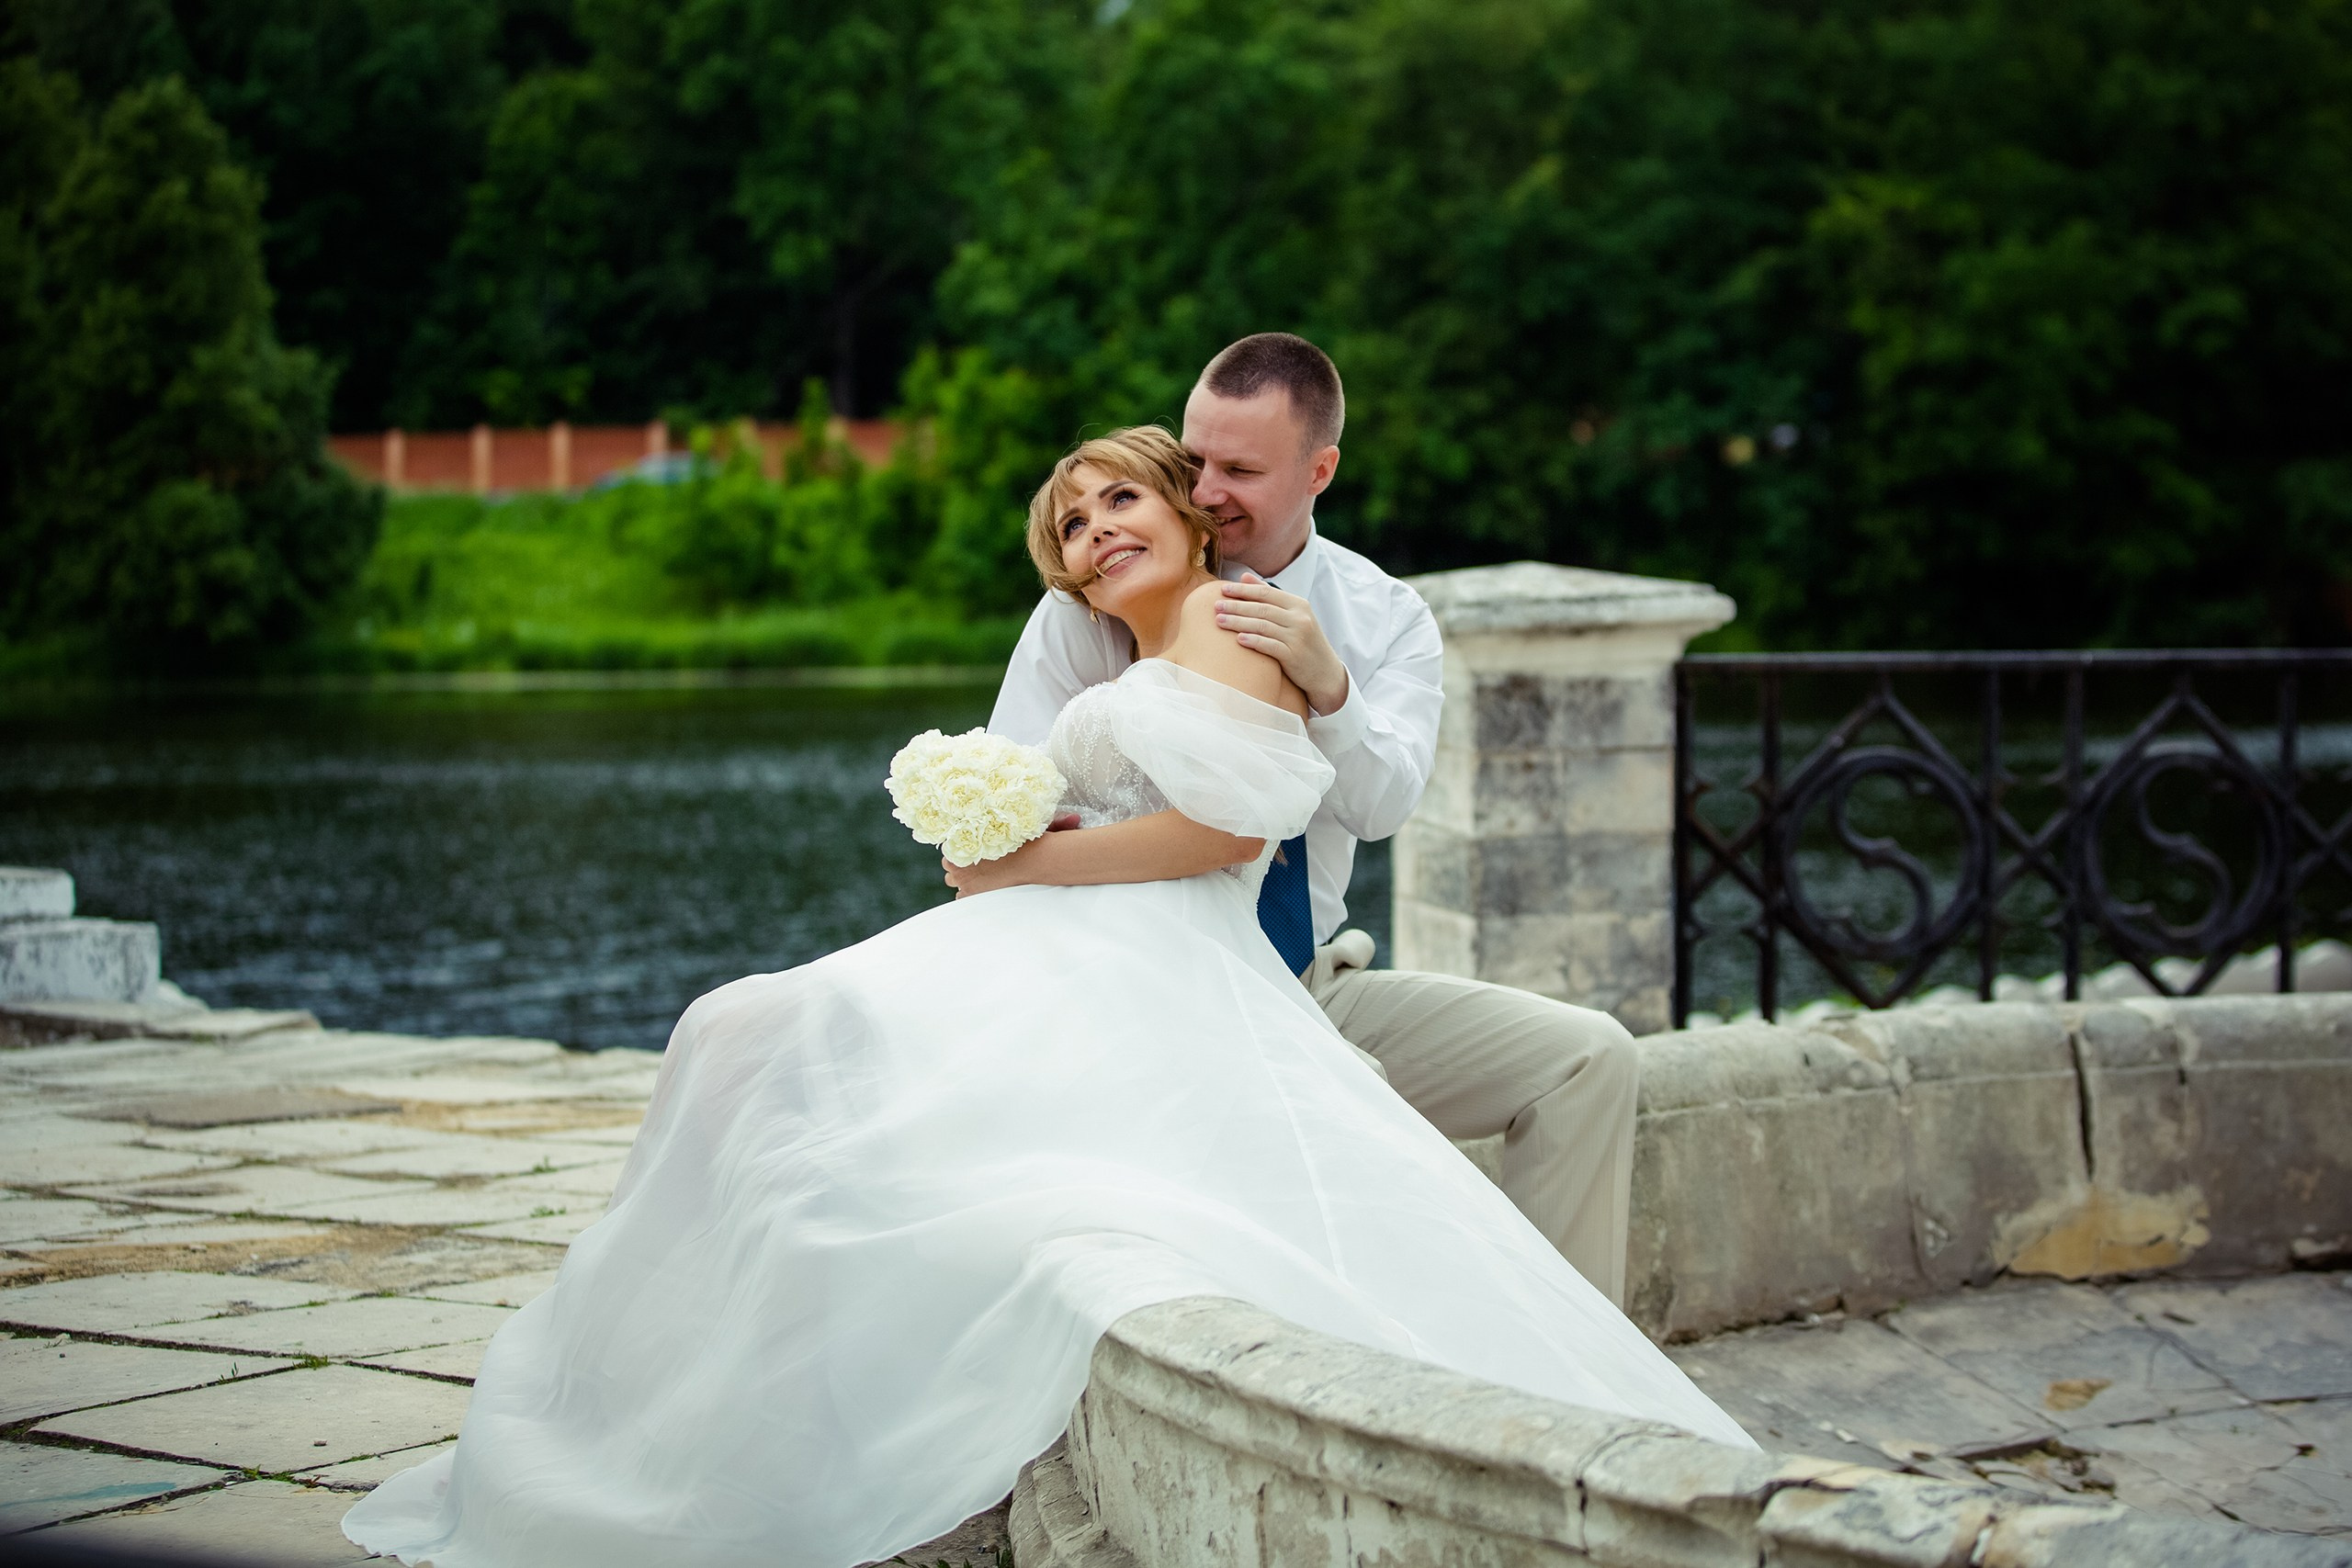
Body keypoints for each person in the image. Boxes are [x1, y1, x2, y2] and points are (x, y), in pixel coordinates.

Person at [343, 425, 1747, 1568]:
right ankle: (706, 1419)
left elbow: (1229, 836)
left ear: (1213, 510)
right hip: (1095, 942)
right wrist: (995, 837)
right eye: (1073, 526)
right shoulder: (1107, 640)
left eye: (1122, 498)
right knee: (743, 1040)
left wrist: (1034, 861)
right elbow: (1032, 792)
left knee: (804, 1063)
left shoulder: (1251, 619)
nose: (1095, 532)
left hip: (1172, 951)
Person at [989, 333, 1643, 1305]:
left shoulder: (1383, 619)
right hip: (1146, 992)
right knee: (1347, 1109)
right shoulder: (1094, 608)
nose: (1203, 490)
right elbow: (1013, 807)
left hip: (1299, 977)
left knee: (1591, 1057)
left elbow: (1380, 811)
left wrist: (1329, 689)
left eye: (1240, 470)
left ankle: (1575, 1358)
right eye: (1193, 458)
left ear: (1319, 469)